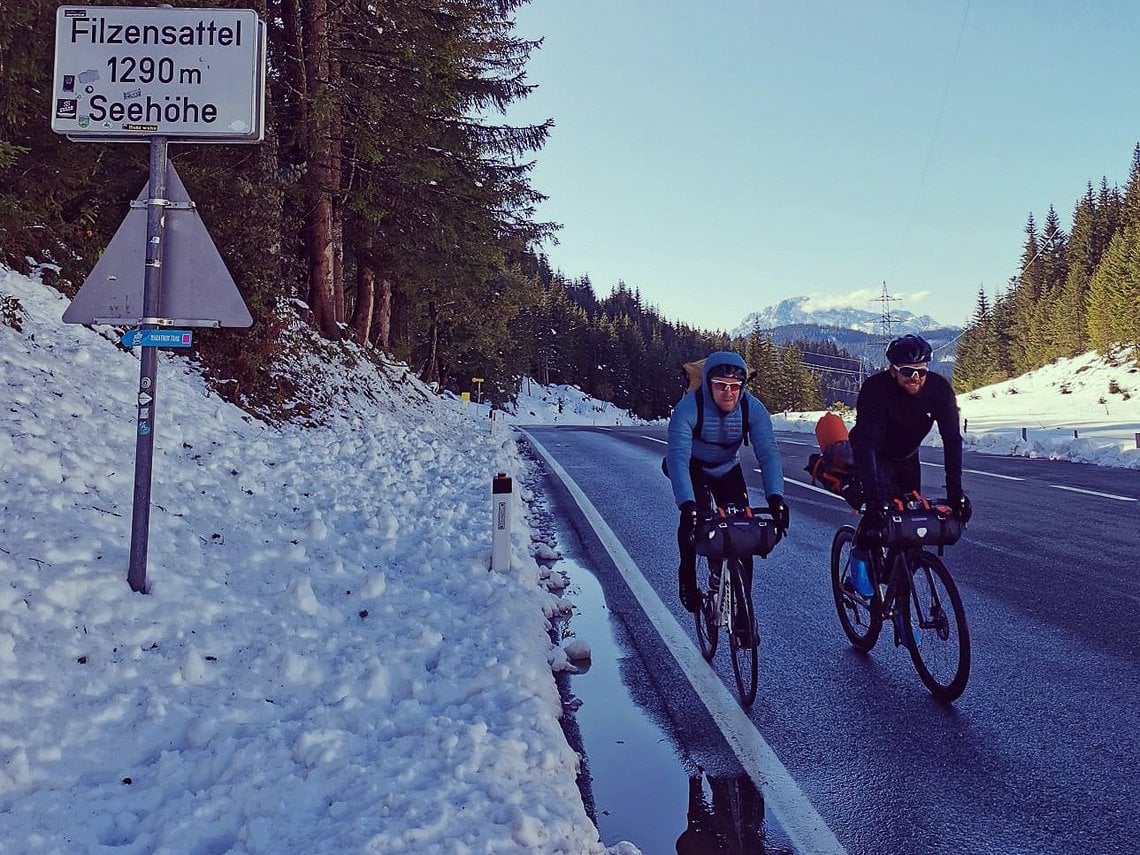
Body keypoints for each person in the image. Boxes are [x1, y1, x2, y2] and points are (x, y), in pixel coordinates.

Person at [665, 351, 787, 623]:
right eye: (721, 385)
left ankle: (743, 610)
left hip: (726, 468)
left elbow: (768, 454)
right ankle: (687, 579)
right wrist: (687, 505)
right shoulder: (688, 409)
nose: (729, 393)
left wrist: (777, 498)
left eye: (735, 386)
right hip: (693, 466)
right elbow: (677, 458)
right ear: (708, 383)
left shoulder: (751, 408)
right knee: (692, 523)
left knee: (743, 531)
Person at [848, 334, 971, 576]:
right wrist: (873, 503)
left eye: (921, 371)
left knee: (912, 526)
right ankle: (860, 559)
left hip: (907, 457)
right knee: (880, 516)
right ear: (893, 370)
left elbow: (952, 441)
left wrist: (956, 493)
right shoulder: (876, 390)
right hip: (874, 455)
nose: (915, 378)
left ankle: (899, 586)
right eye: (907, 371)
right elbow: (866, 446)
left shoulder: (939, 390)